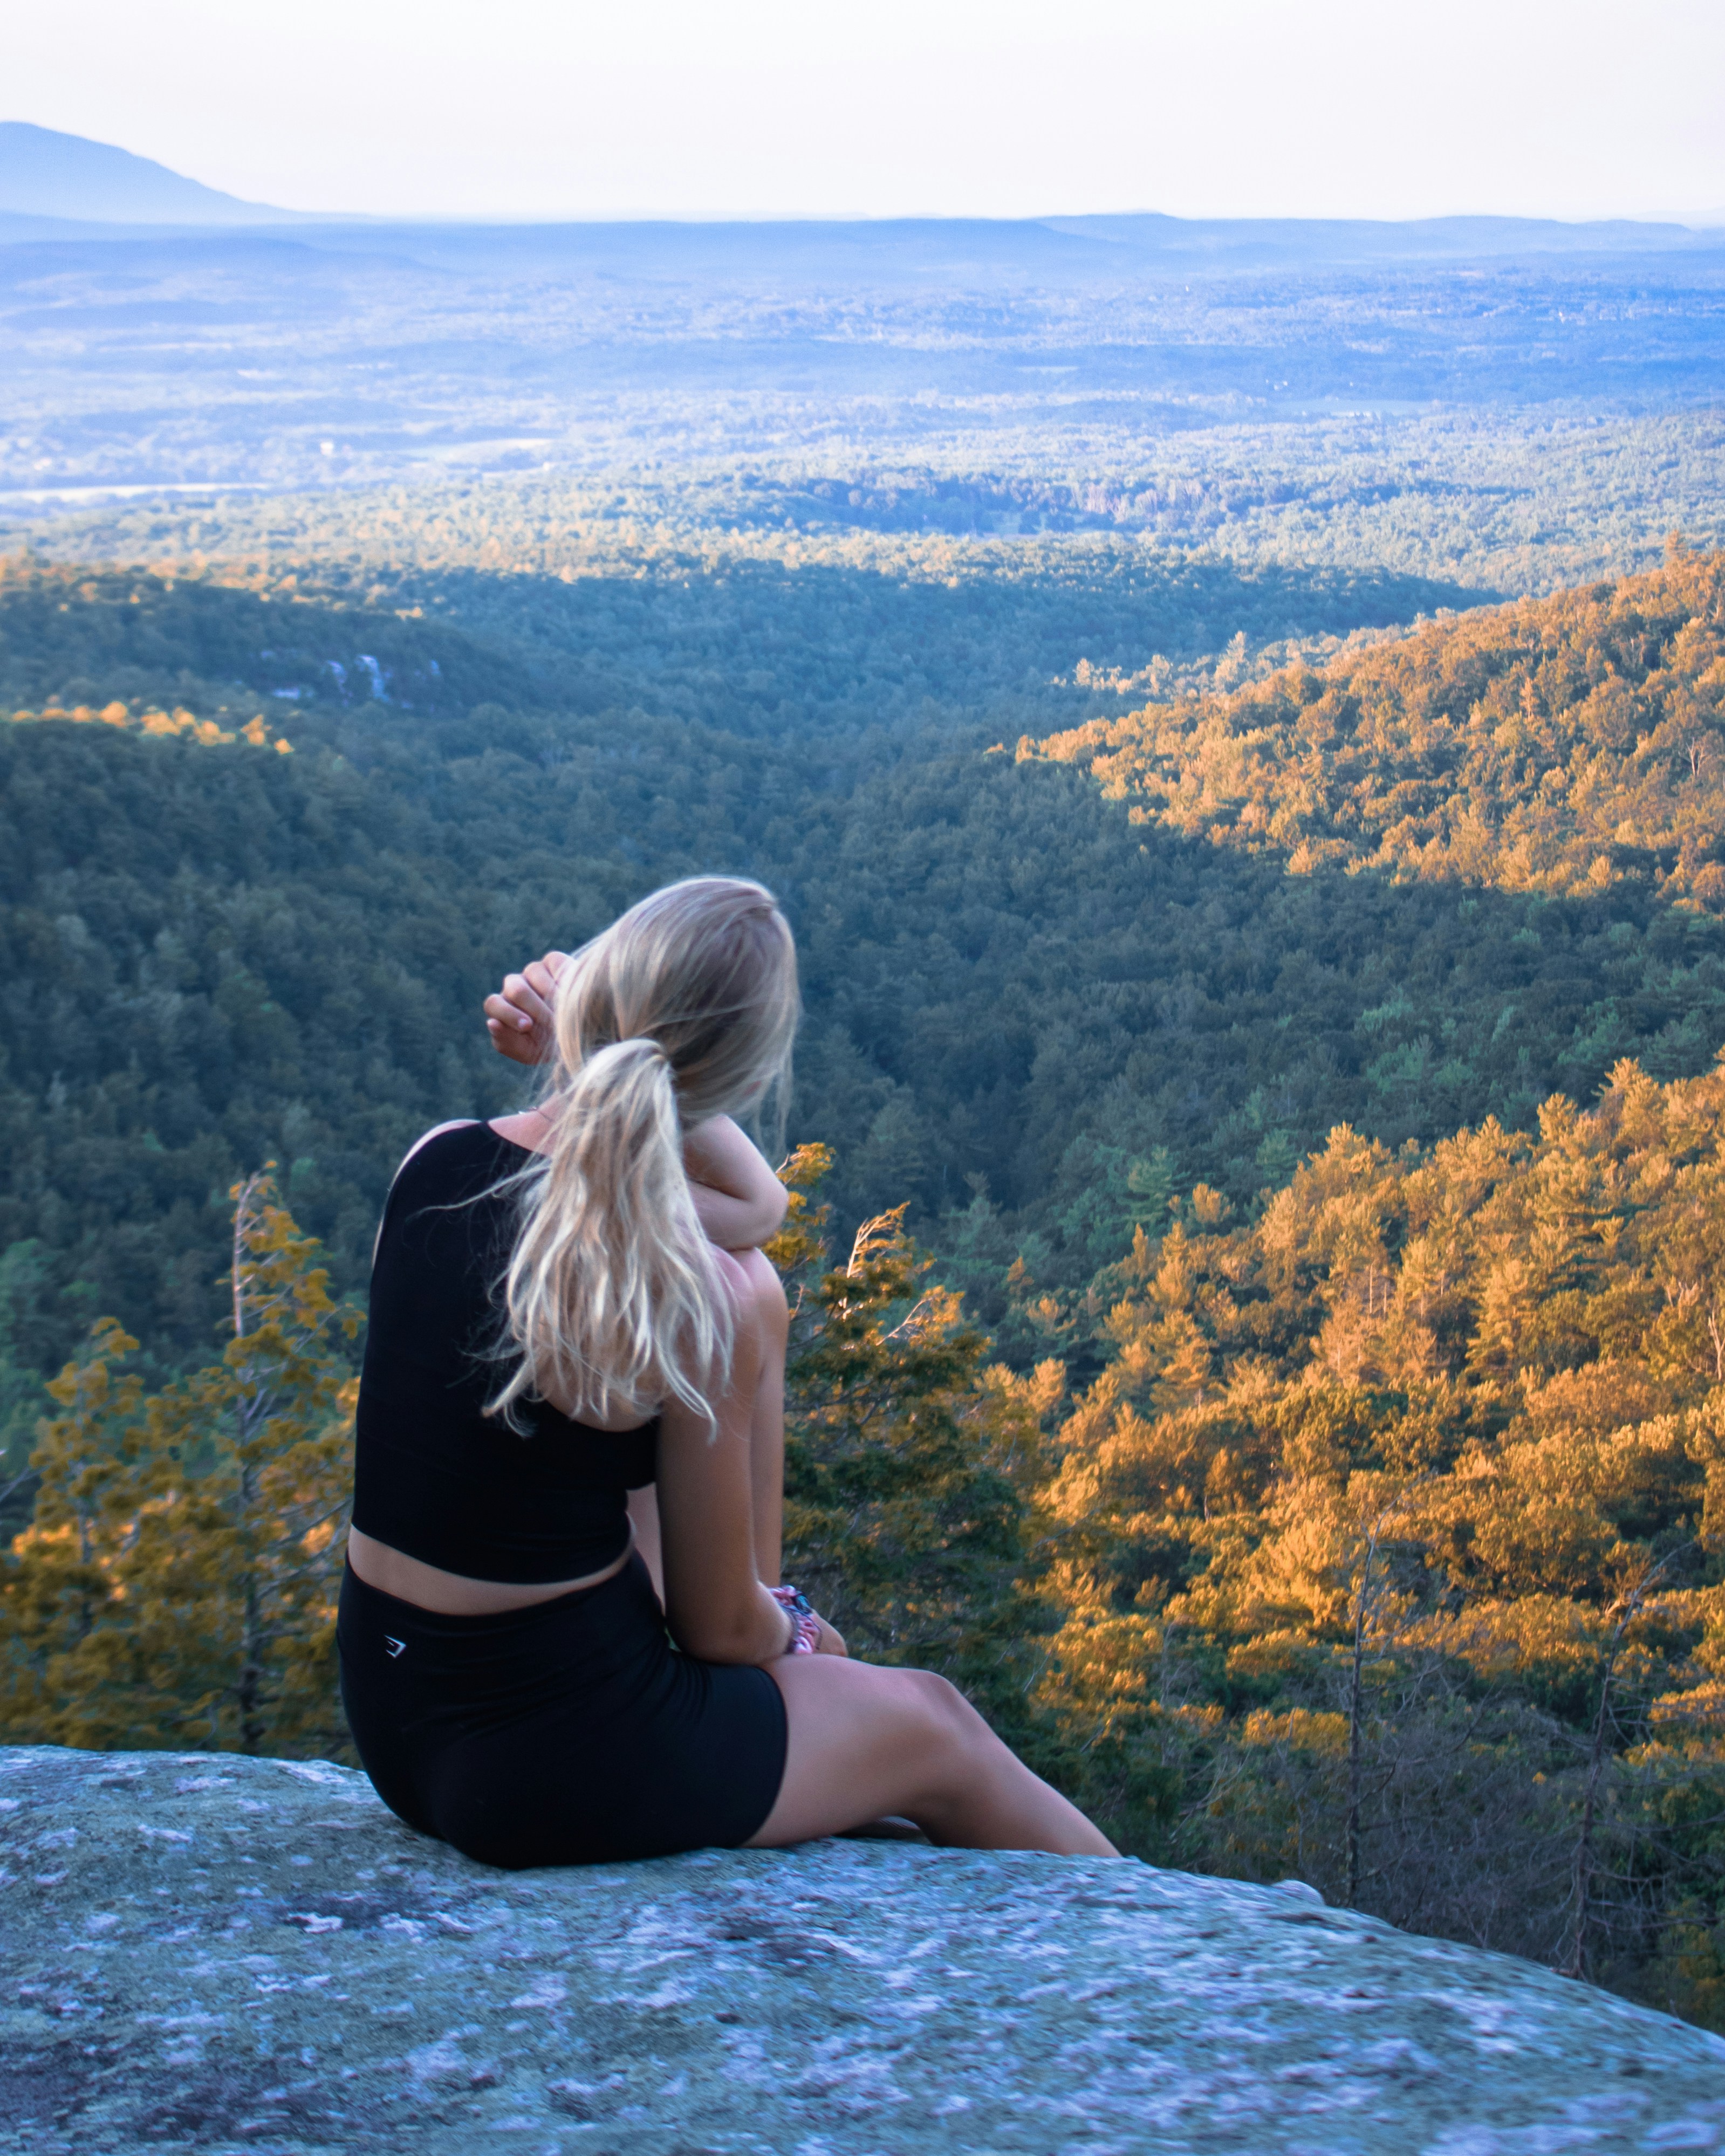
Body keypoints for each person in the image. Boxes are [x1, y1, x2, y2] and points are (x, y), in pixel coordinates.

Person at [340, 875, 1114, 1867]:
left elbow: (748, 1211)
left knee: (747, 1293)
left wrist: (585, 1041)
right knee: (938, 1724)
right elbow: (719, 1638)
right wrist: (798, 1636)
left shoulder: (432, 1161)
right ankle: (1186, 1939)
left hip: (396, 1715)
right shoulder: (687, 1294)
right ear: (735, 1079)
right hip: (545, 1762)